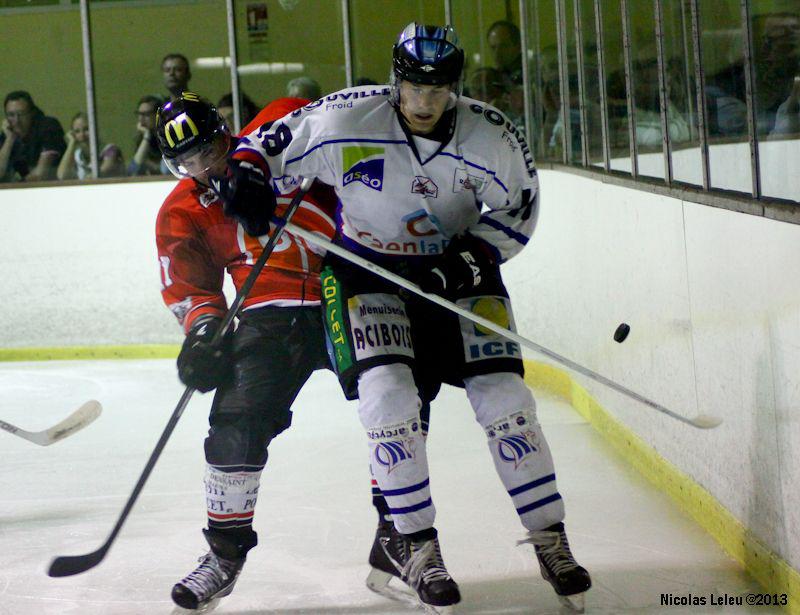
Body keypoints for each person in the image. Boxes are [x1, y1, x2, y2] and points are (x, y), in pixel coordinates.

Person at [219, 22, 591, 613]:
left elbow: (521, 206)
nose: (423, 102)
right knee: (389, 400)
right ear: (395, 80)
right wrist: (246, 176)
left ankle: (551, 538)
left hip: (460, 272)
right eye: (413, 87)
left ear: (454, 88)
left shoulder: (490, 133)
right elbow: (261, 145)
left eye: (437, 90)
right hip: (369, 274)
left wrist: (472, 255)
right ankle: (415, 546)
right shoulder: (346, 116)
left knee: (506, 401)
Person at [154, 92, 340, 611]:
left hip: (348, 288)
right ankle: (225, 555)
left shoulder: (274, 138)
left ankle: (403, 537)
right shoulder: (182, 211)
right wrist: (205, 333)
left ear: (226, 131)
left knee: (397, 398)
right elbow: (193, 288)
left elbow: (308, 114)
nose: (202, 165)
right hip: (266, 310)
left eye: (209, 148)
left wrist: (255, 166)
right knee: (234, 423)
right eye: (187, 160)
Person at [0, 90, 65, 183]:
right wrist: (9, 140)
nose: (16, 120)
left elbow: (40, 174)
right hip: (25, 190)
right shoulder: (8, 134)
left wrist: (16, 186)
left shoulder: (48, 127)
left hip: (56, 189)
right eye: (11, 115)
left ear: (32, 113)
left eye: (21, 114)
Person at [56, 112, 125, 180]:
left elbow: (101, 173)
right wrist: (71, 143)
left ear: (95, 129)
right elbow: (62, 175)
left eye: (86, 129)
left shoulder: (111, 150)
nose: (82, 135)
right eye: (77, 131)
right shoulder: (78, 155)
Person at [128, 95, 167, 176]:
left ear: (157, 116)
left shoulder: (167, 135)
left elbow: (166, 169)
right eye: (139, 114)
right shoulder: (143, 138)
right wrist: (146, 136)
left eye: (146, 114)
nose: (141, 119)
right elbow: (133, 169)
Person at [487, 20, 523, 86]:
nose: (497, 53)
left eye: (503, 47)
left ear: (518, 46)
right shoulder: (492, 78)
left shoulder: (531, 74)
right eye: (493, 48)